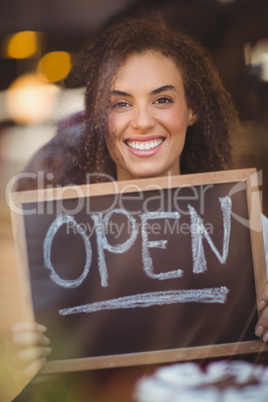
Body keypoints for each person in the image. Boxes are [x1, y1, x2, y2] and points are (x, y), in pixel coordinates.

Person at [7, 12, 268, 401]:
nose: (142, 121)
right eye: (121, 104)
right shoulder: (59, 243)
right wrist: (37, 365)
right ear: (99, 118)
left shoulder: (252, 233)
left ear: (192, 109)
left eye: (162, 99)